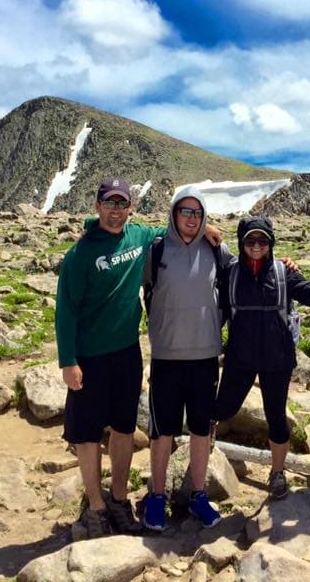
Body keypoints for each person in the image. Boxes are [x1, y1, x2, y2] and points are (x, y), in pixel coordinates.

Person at [55, 178, 222, 538]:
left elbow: (176, 228)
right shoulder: (80, 254)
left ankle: (118, 499)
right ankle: (97, 507)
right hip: (89, 355)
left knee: (124, 428)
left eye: (122, 204)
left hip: (128, 352)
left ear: (131, 208)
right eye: (109, 203)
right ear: (98, 206)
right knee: (86, 434)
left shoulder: (142, 238)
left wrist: (206, 225)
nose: (116, 211)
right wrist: (68, 360)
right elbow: (65, 310)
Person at [214, 216, 310, 499]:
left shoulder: (284, 273)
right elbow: (216, 310)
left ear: (271, 243)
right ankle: (202, 452)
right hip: (240, 357)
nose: (256, 246)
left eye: (262, 240)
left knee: (276, 416)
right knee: (222, 408)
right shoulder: (230, 273)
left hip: (277, 359)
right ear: (241, 243)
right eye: (250, 240)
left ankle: (277, 472)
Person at [141, 187, 234, 532]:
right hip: (166, 355)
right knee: (162, 430)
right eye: (186, 212)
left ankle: (198, 495)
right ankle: (156, 495)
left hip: (205, 355)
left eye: (198, 213)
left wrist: (285, 266)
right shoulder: (157, 248)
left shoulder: (217, 250)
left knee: (200, 430)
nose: (192, 218)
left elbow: (250, 268)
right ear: (174, 214)